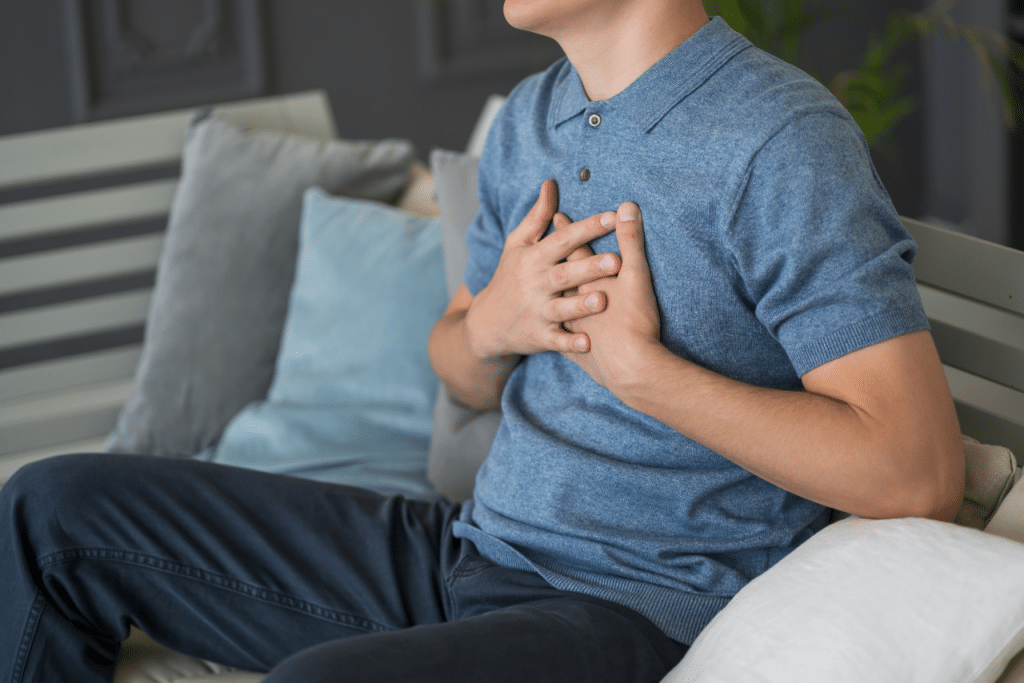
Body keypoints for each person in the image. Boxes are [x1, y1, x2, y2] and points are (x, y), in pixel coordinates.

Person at [0, 0, 965, 681]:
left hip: (626, 610)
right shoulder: (530, 124)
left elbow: (916, 469)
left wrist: (646, 374)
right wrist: (495, 323)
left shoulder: (781, 139)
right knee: (50, 510)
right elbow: (459, 372)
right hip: (471, 548)